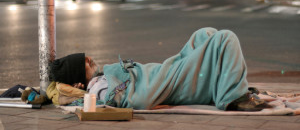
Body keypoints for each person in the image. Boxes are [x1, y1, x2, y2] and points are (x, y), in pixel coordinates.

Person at [50, 27, 271, 111]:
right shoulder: (98, 88)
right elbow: (135, 98)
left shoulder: (101, 78)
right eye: (84, 63)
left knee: (205, 34)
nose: (89, 59)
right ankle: (233, 97)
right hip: (169, 82)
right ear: (79, 82)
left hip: (167, 70)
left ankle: (222, 86)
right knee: (226, 38)